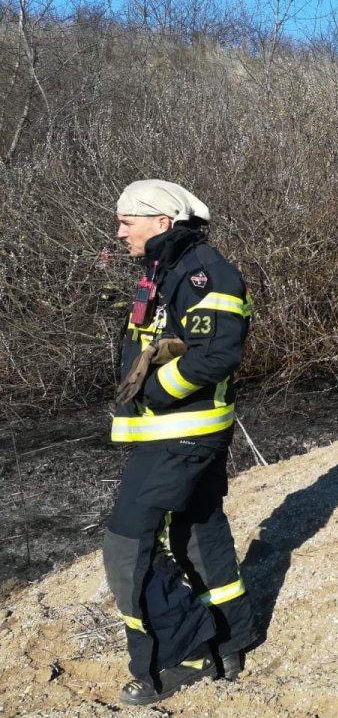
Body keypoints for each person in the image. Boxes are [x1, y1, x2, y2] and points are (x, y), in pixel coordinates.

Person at [103, 180, 258, 705]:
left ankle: (183, 655)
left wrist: (152, 392)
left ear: (164, 223)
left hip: (181, 435)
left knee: (128, 546)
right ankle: (232, 640)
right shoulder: (165, 269)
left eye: (128, 221)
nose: (119, 230)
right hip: (178, 435)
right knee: (198, 529)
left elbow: (216, 354)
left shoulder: (204, 271)